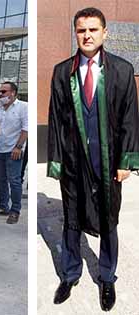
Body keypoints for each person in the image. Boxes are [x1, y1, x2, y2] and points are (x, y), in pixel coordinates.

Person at [47, 8, 139, 311]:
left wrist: (126, 160)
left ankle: (107, 276)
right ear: (76, 33)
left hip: (108, 159)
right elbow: (56, 119)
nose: (87, 35)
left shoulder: (122, 71)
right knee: (71, 217)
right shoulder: (63, 71)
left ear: (104, 32)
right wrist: (57, 161)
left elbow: (129, 119)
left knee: (108, 217)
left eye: (93, 30)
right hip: (74, 160)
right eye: (81, 30)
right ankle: (70, 273)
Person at [0, 82, 28, 224]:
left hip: (13, 150)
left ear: (13, 93)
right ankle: (3, 206)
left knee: (14, 181)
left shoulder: (23, 107)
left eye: (4, 92)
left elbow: (26, 129)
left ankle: (15, 210)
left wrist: (18, 147)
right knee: (0, 180)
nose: (0, 94)